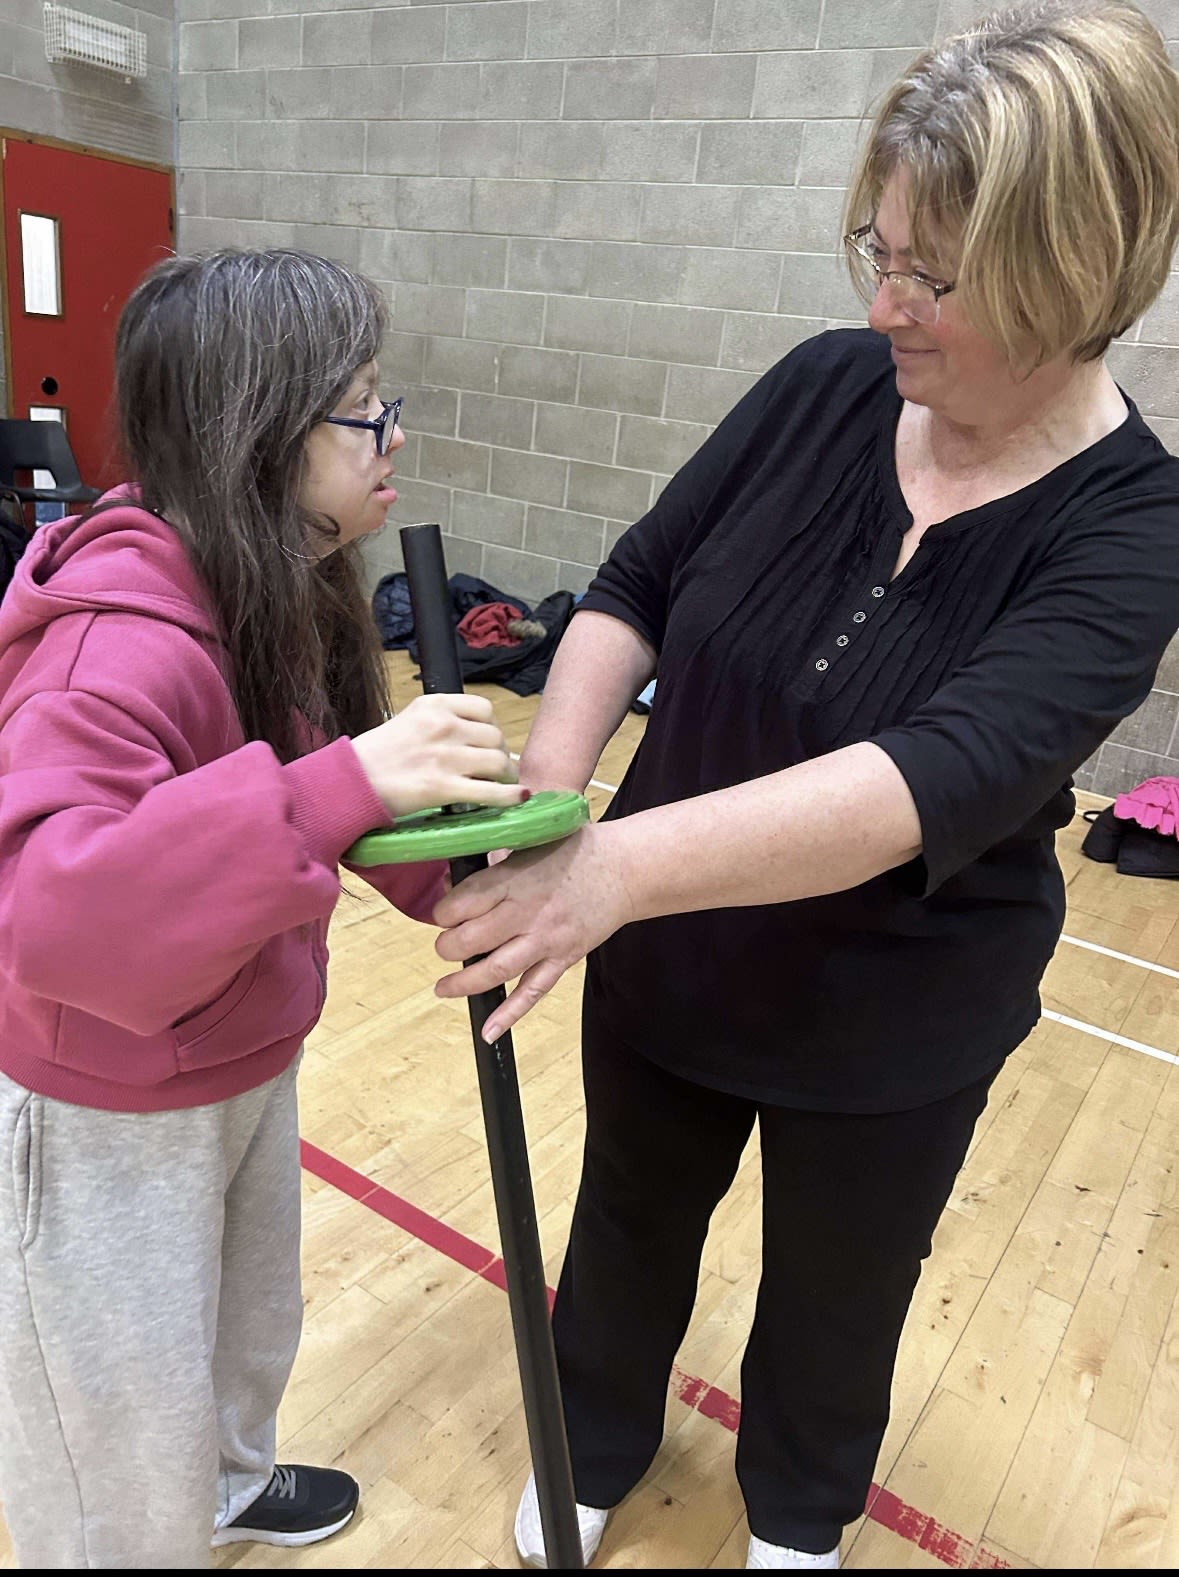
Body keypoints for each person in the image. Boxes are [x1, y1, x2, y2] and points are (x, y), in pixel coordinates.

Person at [431, 2, 1179, 1569]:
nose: (886, 302)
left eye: (934, 276)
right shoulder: (824, 387)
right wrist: (550, 802)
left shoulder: (1135, 530)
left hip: (896, 1011)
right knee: (626, 1225)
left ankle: (794, 1519)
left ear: (1071, 272)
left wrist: (609, 869)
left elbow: (933, 774)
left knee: (841, 1293)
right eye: (877, 252)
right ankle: (594, 1441)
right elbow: (636, 581)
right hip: (674, 963)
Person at [0, 248, 525, 1569]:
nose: (393, 435)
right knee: (120, 1442)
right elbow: (59, 918)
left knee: (241, 1339)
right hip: (110, 1105)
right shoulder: (116, 641)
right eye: (362, 409)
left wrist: (467, 871)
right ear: (261, 431)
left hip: (235, 1052)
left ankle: (226, 1489)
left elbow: (307, 779)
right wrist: (353, 779)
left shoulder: (258, 582)